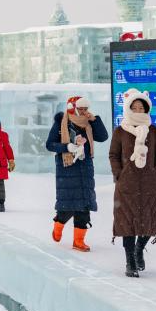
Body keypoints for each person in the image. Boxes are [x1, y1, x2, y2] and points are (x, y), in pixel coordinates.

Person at [109, 89, 156, 278]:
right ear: (128, 108)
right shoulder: (120, 130)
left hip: (149, 185)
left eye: (142, 107)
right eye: (135, 107)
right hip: (127, 185)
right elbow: (113, 155)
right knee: (127, 223)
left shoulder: (153, 130)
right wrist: (119, 174)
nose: (138, 110)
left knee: (149, 220)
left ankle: (139, 249)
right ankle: (129, 260)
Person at [46, 96, 109, 252]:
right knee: (67, 206)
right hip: (67, 167)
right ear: (72, 108)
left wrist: (94, 120)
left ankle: (79, 241)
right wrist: (67, 146)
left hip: (85, 166)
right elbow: (49, 145)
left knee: (84, 205)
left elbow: (103, 137)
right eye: (80, 109)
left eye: (85, 109)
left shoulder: (88, 123)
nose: (83, 112)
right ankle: (58, 226)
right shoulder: (62, 123)